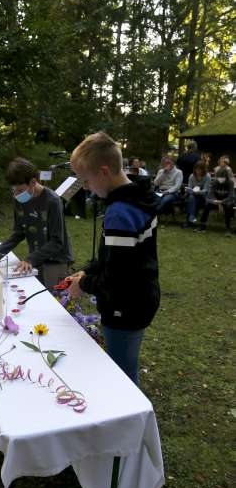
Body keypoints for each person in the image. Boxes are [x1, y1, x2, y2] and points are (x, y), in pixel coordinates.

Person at [65, 132, 160, 386]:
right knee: (125, 362)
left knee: (122, 374)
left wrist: (82, 285)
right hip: (139, 297)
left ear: (104, 172)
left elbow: (118, 276)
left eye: (86, 180)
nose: (85, 187)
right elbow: (115, 258)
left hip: (126, 305)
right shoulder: (139, 197)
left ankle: (130, 420)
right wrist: (87, 272)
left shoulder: (120, 213)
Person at [0, 157, 73, 289]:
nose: (16, 195)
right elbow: (19, 233)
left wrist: (30, 259)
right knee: (36, 292)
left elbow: (57, 241)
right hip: (36, 258)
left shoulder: (52, 201)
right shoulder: (19, 199)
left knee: (56, 298)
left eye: (19, 191)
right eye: (13, 190)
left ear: (33, 182)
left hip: (56, 260)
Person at [197, 166, 235, 236]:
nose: (220, 179)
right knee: (207, 205)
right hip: (216, 201)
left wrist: (222, 202)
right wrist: (216, 202)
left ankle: (228, 229)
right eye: (219, 177)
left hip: (226, 201)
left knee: (229, 207)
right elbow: (211, 194)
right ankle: (202, 225)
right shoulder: (215, 182)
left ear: (226, 177)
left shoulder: (230, 183)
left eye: (222, 177)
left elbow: (231, 196)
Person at [182, 160, 211, 228]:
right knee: (191, 198)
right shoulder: (192, 176)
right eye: (196, 169)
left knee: (192, 200)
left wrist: (198, 192)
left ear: (203, 169)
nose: (198, 171)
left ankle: (189, 220)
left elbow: (206, 190)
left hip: (203, 196)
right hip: (193, 195)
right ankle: (191, 217)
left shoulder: (207, 176)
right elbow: (190, 187)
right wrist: (188, 190)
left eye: (200, 169)